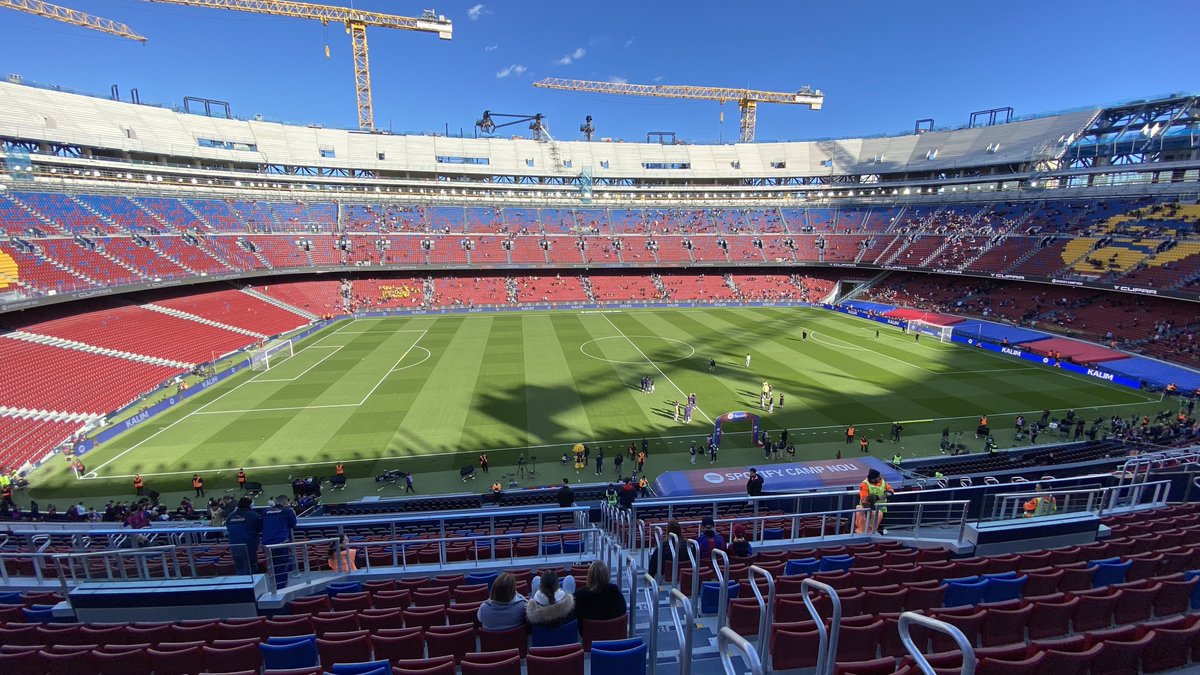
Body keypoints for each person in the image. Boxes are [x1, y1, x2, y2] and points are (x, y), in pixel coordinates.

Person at [262, 495, 298, 588]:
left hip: (266, 543)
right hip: (280, 542)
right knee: (281, 566)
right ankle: (280, 588)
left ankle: (274, 586)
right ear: (285, 502)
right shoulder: (287, 511)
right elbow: (293, 524)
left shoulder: (265, 512)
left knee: (272, 565)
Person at [855, 469, 894, 534]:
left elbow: (891, 489)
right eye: (878, 477)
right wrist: (876, 499)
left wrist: (887, 493)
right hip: (870, 511)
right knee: (868, 529)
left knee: (880, 529)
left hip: (882, 509)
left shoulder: (882, 481)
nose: (880, 478)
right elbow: (864, 499)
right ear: (873, 479)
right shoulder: (864, 484)